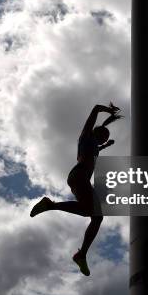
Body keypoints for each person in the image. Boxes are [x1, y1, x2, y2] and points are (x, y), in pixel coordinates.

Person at [30, 102, 122, 276]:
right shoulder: (86, 137)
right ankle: (51, 206)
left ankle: (81, 254)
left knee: (94, 216)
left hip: (79, 179)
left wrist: (106, 146)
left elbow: (96, 150)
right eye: (103, 136)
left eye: (104, 138)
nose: (103, 139)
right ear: (96, 133)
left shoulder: (95, 147)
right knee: (97, 216)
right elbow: (94, 109)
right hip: (79, 176)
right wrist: (106, 110)